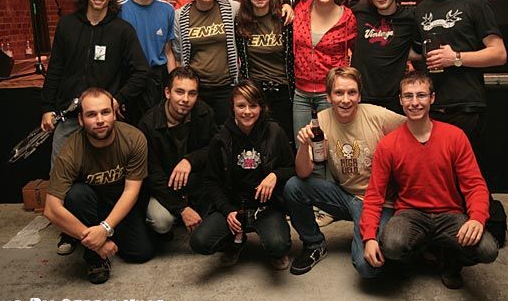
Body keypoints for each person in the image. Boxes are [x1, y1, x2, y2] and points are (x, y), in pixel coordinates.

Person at [360, 71, 498, 289]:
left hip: (450, 214)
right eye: (408, 96)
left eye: (421, 95)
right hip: (410, 213)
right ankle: (415, 255)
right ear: (400, 100)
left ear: (432, 98)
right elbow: (374, 194)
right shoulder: (388, 144)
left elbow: (475, 185)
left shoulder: (455, 136)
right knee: (392, 245)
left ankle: (451, 262)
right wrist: (368, 237)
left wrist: (477, 218)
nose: (414, 102)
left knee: (488, 250)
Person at [284, 67, 406, 277]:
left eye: (352, 92)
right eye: (339, 93)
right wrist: (303, 146)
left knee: (367, 268)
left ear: (359, 95)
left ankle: (393, 244)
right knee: (294, 187)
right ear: (329, 96)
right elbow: (303, 173)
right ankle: (314, 245)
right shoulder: (320, 120)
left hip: (380, 202)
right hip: (346, 197)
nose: (346, 100)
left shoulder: (377, 115)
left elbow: (414, 128)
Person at [43, 88, 154, 284]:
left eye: (105, 112)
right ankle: (95, 258)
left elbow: (131, 191)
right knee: (76, 194)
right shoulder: (71, 151)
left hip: (121, 203)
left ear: (114, 114)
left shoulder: (133, 138)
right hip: (88, 206)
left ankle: (103, 235)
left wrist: (105, 228)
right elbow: (51, 209)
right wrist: (97, 243)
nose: (100, 120)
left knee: (141, 253)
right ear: (80, 120)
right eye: (91, 115)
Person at [41, 0, 149, 166]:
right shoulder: (66, 25)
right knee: (60, 175)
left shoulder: (122, 30)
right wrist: (47, 108)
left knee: (104, 175)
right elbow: (55, 69)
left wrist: (118, 99)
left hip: (103, 121)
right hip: (69, 118)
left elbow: (142, 71)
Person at [190, 80, 294, 270]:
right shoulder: (221, 138)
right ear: (232, 107)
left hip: (266, 208)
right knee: (200, 242)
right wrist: (227, 210)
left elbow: (291, 168)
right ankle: (235, 242)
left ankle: (272, 242)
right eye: (241, 106)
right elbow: (211, 181)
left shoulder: (274, 132)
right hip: (234, 206)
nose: (247, 111)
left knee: (278, 245)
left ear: (261, 107)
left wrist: (275, 176)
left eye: (253, 106)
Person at [413, 0, 506, 152]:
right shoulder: (421, 9)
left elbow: (499, 53)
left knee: (463, 169)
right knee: (433, 168)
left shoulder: (475, 4)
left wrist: (455, 57)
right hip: (430, 107)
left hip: (465, 107)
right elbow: (417, 53)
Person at [173, 0, 294, 126]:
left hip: (227, 87)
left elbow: (258, 5)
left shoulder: (231, 8)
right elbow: (178, 54)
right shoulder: (180, 15)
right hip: (196, 88)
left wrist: (285, 6)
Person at [137, 67, 217, 237]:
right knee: (161, 222)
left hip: (194, 183)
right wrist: (182, 208)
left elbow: (215, 148)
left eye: (192, 93)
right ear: (167, 92)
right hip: (163, 187)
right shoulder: (148, 124)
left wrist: (190, 160)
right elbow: (153, 176)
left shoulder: (204, 112)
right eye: (179, 92)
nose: (185, 99)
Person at [291, 0, 357, 141]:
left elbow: (357, 50)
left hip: (331, 94)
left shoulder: (348, 18)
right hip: (301, 93)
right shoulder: (300, 9)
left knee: (330, 146)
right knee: (302, 145)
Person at [235, 0, 295, 144]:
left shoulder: (284, 19)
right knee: (257, 141)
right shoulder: (240, 21)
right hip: (255, 91)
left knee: (284, 141)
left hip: (284, 89)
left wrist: (288, 6)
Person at [119, 0, 177, 123]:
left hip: (157, 80)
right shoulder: (118, 9)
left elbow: (168, 51)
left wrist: (173, 85)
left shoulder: (167, 10)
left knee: (157, 128)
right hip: (129, 79)